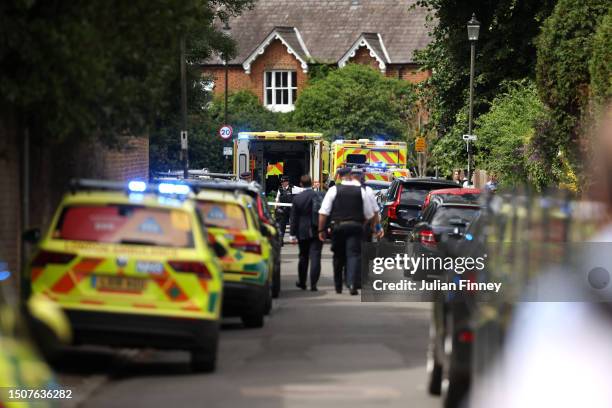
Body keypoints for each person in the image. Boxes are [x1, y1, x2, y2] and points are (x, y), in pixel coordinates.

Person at [318, 167, 383, 295]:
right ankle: (352, 283)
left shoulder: (333, 190)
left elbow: (323, 212)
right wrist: (363, 224)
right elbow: (370, 214)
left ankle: (338, 286)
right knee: (353, 255)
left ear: (340, 176)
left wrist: (321, 229)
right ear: (350, 176)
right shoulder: (362, 191)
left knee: (338, 256)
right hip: (356, 227)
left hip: (338, 227)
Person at [289, 175, 323, 291]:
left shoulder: (298, 198)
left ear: (301, 184)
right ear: (312, 183)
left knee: (303, 256)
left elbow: (294, 218)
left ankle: (302, 282)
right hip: (316, 229)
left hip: (302, 231)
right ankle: (314, 284)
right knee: (315, 257)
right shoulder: (318, 195)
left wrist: (292, 234)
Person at [275, 176, 294, 244]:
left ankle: (293, 238)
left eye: (284, 182)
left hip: (291, 209)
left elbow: (301, 191)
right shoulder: (280, 190)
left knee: (293, 224)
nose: (283, 183)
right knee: (282, 225)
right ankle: (281, 240)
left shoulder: (292, 188)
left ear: (287, 182)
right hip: (283, 209)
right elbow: (277, 198)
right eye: (282, 182)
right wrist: (276, 206)